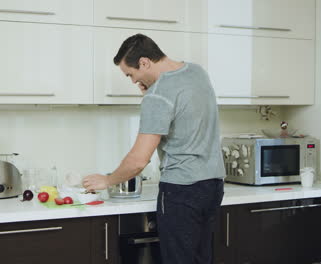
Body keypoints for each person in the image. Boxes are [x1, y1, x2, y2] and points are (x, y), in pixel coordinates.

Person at [82, 33, 225, 264]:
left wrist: (107, 180)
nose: (132, 81)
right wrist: (151, 91)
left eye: (131, 74)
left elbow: (139, 160)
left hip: (181, 190)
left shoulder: (158, 96)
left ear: (145, 62)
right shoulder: (197, 72)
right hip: (213, 186)